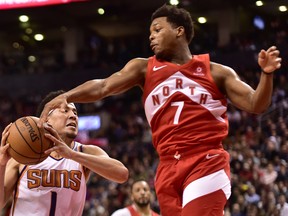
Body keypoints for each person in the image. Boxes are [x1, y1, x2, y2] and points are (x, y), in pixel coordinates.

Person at [38, 4, 282, 216]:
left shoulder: (216, 71)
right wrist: (67, 95)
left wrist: (266, 75)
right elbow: (103, 86)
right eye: (150, 32)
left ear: (179, 31)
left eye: (157, 30)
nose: (151, 37)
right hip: (166, 167)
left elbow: (256, 104)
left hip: (205, 160)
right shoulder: (143, 69)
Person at [0, 90, 129, 216]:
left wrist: (72, 154)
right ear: (46, 119)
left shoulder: (85, 151)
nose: (73, 116)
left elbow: (122, 174)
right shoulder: (22, 156)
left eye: (75, 112)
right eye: (65, 110)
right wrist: (1, 165)